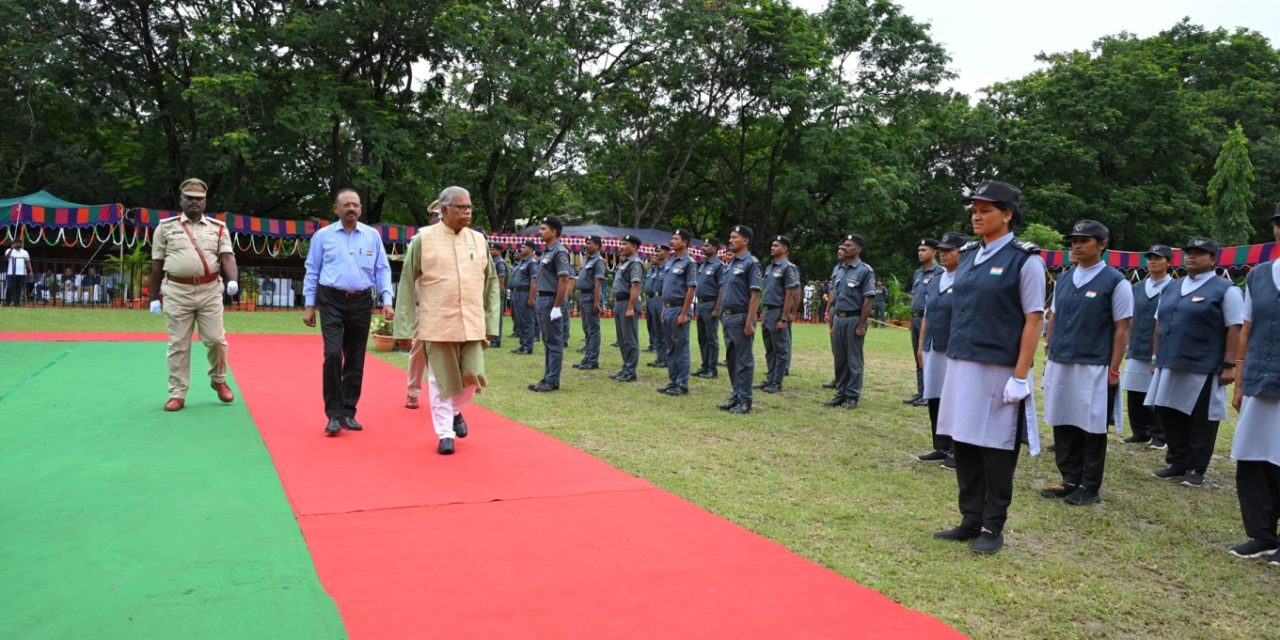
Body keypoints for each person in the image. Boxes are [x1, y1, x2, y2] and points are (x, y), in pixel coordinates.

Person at [933, 180, 1045, 555]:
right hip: (963, 361)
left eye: (986, 209)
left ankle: (993, 525)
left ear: (1008, 214)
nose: (977, 215)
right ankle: (970, 517)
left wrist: (1020, 374)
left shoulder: (1024, 259)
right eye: (974, 209)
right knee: (964, 440)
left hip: (999, 365)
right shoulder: (967, 254)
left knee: (995, 447)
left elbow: (1033, 319)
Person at [1039, 220, 1133, 506]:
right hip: (1061, 360)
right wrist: (1048, 351)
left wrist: (1114, 368)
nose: (1076, 245)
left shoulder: (1116, 282)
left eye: (1085, 240)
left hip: (1094, 364)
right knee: (1062, 418)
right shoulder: (1065, 278)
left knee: (1091, 426)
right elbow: (1052, 317)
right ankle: (1069, 478)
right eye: (1074, 240)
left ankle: (1089, 485)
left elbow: (1122, 327)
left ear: (1102, 245)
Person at [400, 186, 500, 455]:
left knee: (472, 376)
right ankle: (445, 433)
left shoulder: (478, 240)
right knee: (439, 379)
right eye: (461, 208)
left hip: (472, 321)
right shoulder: (423, 239)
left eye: (469, 208)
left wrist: (492, 323)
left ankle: (455, 411)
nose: (467, 212)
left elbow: (491, 283)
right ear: (444, 211)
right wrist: (405, 325)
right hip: (438, 322)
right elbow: (408, 280)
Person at [1146, 236, 1242, 486]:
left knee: (1201, 419)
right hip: (1170, 360)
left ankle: (1196, 468)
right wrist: (1155, 356)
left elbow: (1234, 328)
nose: (1192, 256)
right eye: (1189, 252)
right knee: (1168, 411)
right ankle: (1177, 461)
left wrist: (1230, 364)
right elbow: (1159, 325)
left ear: (1212, 259)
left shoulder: (1225, 289)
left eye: (1200, 253)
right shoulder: (1172, 287)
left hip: (1203, 364)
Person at [302, 188, 395, 435]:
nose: (351, 209)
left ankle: (348, 412)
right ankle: (333, 414)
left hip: (362, 300)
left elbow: (382, 269)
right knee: (333, 354)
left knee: (355, 358)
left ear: (361, 209)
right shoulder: (323, 236)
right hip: (331, 299)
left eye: (355, 205)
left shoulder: (372, 236)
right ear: (336, 209)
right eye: (346, 205)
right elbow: (312, 270)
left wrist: (387, 300)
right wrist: (310, 305)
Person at [147, 178, 239, 411]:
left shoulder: (218, 228)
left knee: (216, 340)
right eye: (189, 198)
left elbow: (227, 257)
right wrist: (152, 297)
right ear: (181, 200)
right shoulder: (166, 227)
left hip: (209, 291)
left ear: (205, 201)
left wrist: (233, 281)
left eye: (198, 199)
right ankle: (177, 393)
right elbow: (157, 264)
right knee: (178, 343)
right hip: (177, 291)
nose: (194, 202)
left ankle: (218, 381)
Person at [1228, 204, 1280, 561]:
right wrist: (1240, 381)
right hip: (1261, 379)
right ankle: (1261, 534)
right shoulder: (1259, 275)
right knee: (1253, 457)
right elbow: (1247, 329)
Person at [916, 232, 968, 468]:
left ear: (963, 253)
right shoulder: (936, 280)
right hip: (932, 346)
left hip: (953, 347)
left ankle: (958, 449)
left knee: (955, 399)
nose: (945, 254)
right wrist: (921, 345)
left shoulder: (966, 280)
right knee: (935, 396)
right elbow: (927, 315)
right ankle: (941, 445)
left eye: (950, 250)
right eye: (943, 250)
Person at [1119, 244, 1174, 449]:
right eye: (1150, 258)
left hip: (1160, 348)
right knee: (1134, 390)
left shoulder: (1174, 287)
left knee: (1158, 393)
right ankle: (1140, 431)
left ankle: (1159, 435)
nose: (1152, 261)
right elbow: (1129, 318)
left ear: (1169, 262)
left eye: (1158, 258)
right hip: (1136, 345)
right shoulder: (1137, 288)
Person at [396, 200, 446, 410]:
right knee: (419, 349)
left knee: (449, 352)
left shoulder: (457, 239)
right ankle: (413, 391)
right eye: (436, 216)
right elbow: (411, 275)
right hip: (425, 304)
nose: (439, 220)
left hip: (449, 305)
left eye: (442, 216)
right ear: (431, 218)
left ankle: (446, 395)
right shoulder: (421, 239)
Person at [824, 234, 875, 409]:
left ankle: (852, 395)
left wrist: (861, 324)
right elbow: (834, 295)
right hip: (838, 318)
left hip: (854, 319)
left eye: (849, 245)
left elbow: (868, 300)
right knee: (840, 359)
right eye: (844, 245)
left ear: (858, 249)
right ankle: (841, 392)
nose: (844, 248)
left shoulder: (864, 270)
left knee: (854, 360)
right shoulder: (839, 269)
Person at [717, 225, 761, 414]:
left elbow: (755, 295)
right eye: (730, 236)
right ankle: (736, 395)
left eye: (734, 237)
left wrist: (750, 322)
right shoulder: (731, 264)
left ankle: (745, 400)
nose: (730, 240)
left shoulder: (751, 263)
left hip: (741, 316)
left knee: (744, 360)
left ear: (745, 240)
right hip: (728, 317)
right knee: (732, 359)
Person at [528, 216, 573, 392]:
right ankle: (547, 377)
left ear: (553, 232)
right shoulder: (547, 251)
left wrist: (556, 306)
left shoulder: (559, 252)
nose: (540, 232)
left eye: (543, 229)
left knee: (554, 341)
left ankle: (553, 380)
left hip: (551, 300)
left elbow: (564, 280)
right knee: (547, 340)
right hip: (542, 299)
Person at [759, 235, 801, 393]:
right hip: (768, 311)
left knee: (781, 349)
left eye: (776, 245)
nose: (772, 247)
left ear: (785, 249)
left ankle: (777, 382)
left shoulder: (788, 268)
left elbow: (791, 294)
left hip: (778, 311)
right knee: (769, 348)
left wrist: (785, 317)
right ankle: (770, 378)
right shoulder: (770, 267)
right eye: (772, 245)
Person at [657, 229, 697, 396]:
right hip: (668, 308)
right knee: (670, 347)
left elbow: (691, 289)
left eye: (675, 239)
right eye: (671, 238)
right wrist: (663, 309)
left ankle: (682, 383)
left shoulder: (689, 262)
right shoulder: (670, 262)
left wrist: (684, 313)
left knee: (681, 348)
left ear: (685, 242)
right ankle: (673, 380)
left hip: (680, 308)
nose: (672, 241)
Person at [905, 239, 943, 406]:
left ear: (934, 252)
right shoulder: (918, 273)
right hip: (915, 318)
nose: (920, 253)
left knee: (928, 356)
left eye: (924, 250)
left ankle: (929, 394)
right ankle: (921, 392)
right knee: (918, 356)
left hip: (929, 319)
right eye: (919, 250)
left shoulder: (940, 272)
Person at [610, 236, 646, 382]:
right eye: (621, 244)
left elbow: (635, 286)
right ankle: (626, 367)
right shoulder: (623, 263)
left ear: (634, 247)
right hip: (620, 303)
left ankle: (631, 371)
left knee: (630, 339)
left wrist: (630, 307)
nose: (621, 246)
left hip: (627, 302)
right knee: (622, 339)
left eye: (624, 244)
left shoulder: (635, 263)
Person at [572, 236, 607, 371]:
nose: (586, 245)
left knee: (593, 330)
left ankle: (592, 360)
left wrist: (597, 302)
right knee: (587, 330)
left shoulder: (598, 261)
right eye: (586, 243)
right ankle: (587, 357)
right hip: (584, 296)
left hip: (591, 297)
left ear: (597, 246)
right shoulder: (587, 260)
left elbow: (598, 283)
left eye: (589, 243)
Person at [694, 237, 726, 379]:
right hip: (700, 304)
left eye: (707, 246)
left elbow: (722, 288)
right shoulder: (703, 264)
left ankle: (712, 369)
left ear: (714, 248)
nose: (703, 248)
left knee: (711, 338)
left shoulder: (719, 266)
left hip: (711, 304)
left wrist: (718, 308)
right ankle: (705, 365)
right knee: (702, 337)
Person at [509, 240, 538, 354]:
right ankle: (522, 344)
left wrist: (531, 298)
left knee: (527, 321)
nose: (521, 249)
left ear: (531, 249)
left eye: (524, 247)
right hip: (517, 293)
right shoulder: (521, 262)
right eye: (521, 247)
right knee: (520, 320)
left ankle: (527, 346)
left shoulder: (531, 262)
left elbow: (534, 280)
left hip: (525, 293)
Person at [644, 246, 668, 356]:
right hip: (651, 299)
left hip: (660, 299)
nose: (655, 254)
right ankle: (658, 353)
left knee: (662, 328)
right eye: (654, 252)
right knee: (653, 326)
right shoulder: (653, 269)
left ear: (666, 253)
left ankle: (663, 355)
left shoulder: (666, 268)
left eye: (658, 251)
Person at [4, 239, 32, 307]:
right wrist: (11, 249)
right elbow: (6, 258)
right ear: (14, 244)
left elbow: (28, 262)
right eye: (17, 243)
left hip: (22, 273)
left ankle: (17, 303)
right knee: (10, 287)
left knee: (18, 288)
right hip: (11, 273)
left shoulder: (25, 252)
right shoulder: (9, 250)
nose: (19, 244)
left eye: (20, 243)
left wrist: (31, 271)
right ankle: (8, 302)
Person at [490, 244, 508, 348]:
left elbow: (501, 279)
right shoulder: (494, 261)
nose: (491, 251)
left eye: (493, 249)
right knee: (493, 315)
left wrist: (497, 292)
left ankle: (496, 340)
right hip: (493, 292)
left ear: (498, 251)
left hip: (497, 292)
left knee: (497, 316)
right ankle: (492, 338)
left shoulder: (500, 262)